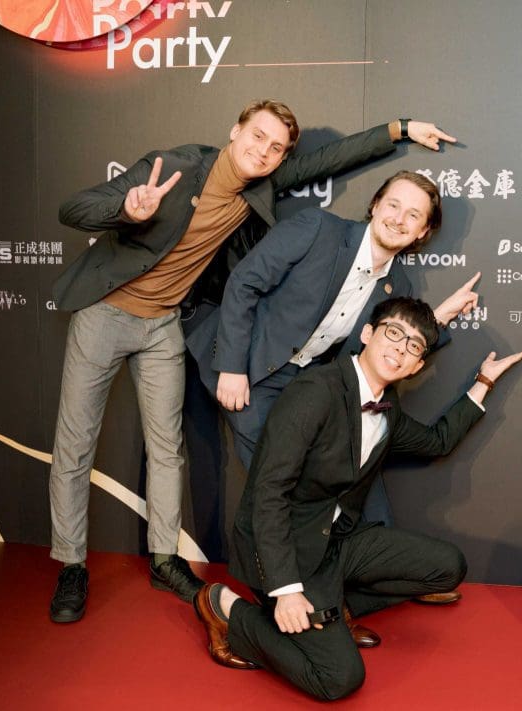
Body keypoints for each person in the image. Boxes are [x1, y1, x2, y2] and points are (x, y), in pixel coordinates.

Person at [49, 98, 456, 623]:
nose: (263, 152)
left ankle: (165, 560)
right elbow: (73, 208)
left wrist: (397, 129)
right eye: (257, 136)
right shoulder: (176, 167)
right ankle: (71, 565)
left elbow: (326, 161)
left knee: (168, 450)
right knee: (75, 445)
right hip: (108, 308)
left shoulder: (261, 188)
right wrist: (127, 210)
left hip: (166, 321)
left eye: (277, 147)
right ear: (234, 130)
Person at [192, 297, 522, 700]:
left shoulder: (387, 407)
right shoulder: (315, 392)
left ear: (417, 365)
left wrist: (483, 382)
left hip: (338, 541)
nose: (400, 349)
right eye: (394, 333)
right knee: (339, 678)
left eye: (413, 346)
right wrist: (285, 589)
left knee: (448, 567)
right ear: (368, 334)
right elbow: (268, 493)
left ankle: (331, 607)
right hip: (289, 550)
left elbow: (437, 441)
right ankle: (229, 611)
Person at [186, 170, 480, 482]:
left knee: (312, 476)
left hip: (304, 386)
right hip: (248, 364)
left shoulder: (398, 286)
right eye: (393, 205)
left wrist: (440, 317)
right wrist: (232, 367)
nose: (398, 220)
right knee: (276, 475)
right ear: (376, 205)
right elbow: (245, 283)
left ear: (422, 231)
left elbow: (387, 349)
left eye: (413, 215)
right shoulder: (318, 228)